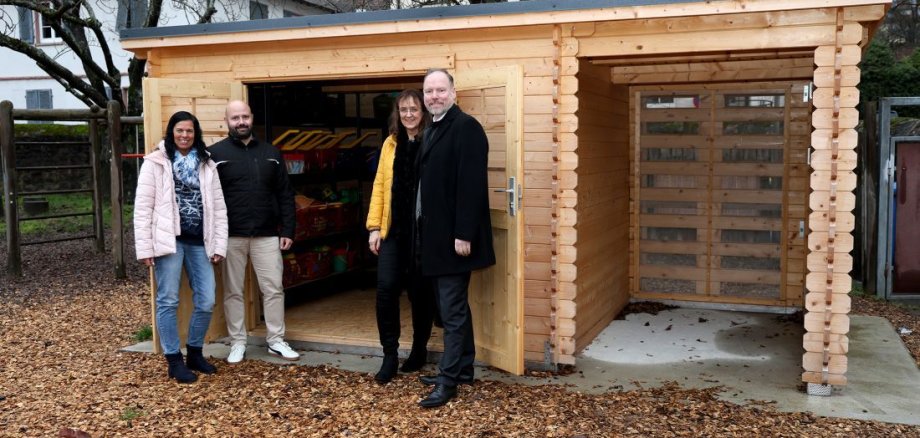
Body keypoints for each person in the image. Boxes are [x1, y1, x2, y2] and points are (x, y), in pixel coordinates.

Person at [415, 69, 496, 407]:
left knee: (451, 312)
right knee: (455, 307)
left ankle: (448, 382)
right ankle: (462, 369)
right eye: (429, 91)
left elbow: (471, 185)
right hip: (434, 238)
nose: (434, 96)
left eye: (440, 90)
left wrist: (464, 233)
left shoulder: (466, 128)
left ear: (453, 92)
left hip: (454, 239)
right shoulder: (432, 128)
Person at [134, 111, 228, 384]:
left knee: (207, 299)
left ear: (195, 134)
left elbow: (219, 208)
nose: (184, 135)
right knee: (168, 300)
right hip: (169, 242)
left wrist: (219, 243)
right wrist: (145, 248)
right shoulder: (155, 163)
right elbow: (143, 208)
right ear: (171, 133)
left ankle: (195, 353)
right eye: (179, 131)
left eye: (189, 131)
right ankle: (174, 360)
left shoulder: (207, 164)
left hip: (200, 241)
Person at [209, 100, 300, 363]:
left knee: (273, 289)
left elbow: (285, 194)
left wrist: (288, 230)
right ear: (226, 121)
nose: (241, 122)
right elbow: (207, 198)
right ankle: (238, 342)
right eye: (235, 118)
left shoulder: (272, 153)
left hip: (267, 234)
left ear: (252, 118)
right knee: (233, 291)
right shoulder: (215, 154)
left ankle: (276, 340)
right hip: (231, 235)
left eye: (245, 116)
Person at [366, 89, 435, 384]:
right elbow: (380, 185)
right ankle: (390, 355)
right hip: (392, 231)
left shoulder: (431, 141)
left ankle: (419, 349)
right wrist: (374, 228)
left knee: (420, 294)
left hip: (421, 234)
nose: (409, 114)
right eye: (403, 109)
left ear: (423, 112)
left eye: (414, 109)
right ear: (398, 113)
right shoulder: (390, 143)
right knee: (385, 290)